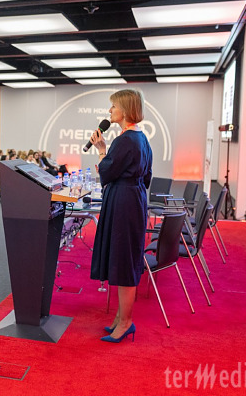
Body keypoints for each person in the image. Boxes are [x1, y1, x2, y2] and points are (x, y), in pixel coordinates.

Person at [89, 89, 153, 343]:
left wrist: (101, 150)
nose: (110, 111)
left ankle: (126, 322)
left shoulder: (125, 140)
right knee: (124, 256)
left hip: (124, 202)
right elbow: (146, 177)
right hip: (133, 199)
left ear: (125, 110)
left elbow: (106, 172)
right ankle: (120, 317)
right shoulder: (141, 138)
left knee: (124, 260)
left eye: (113, 106)